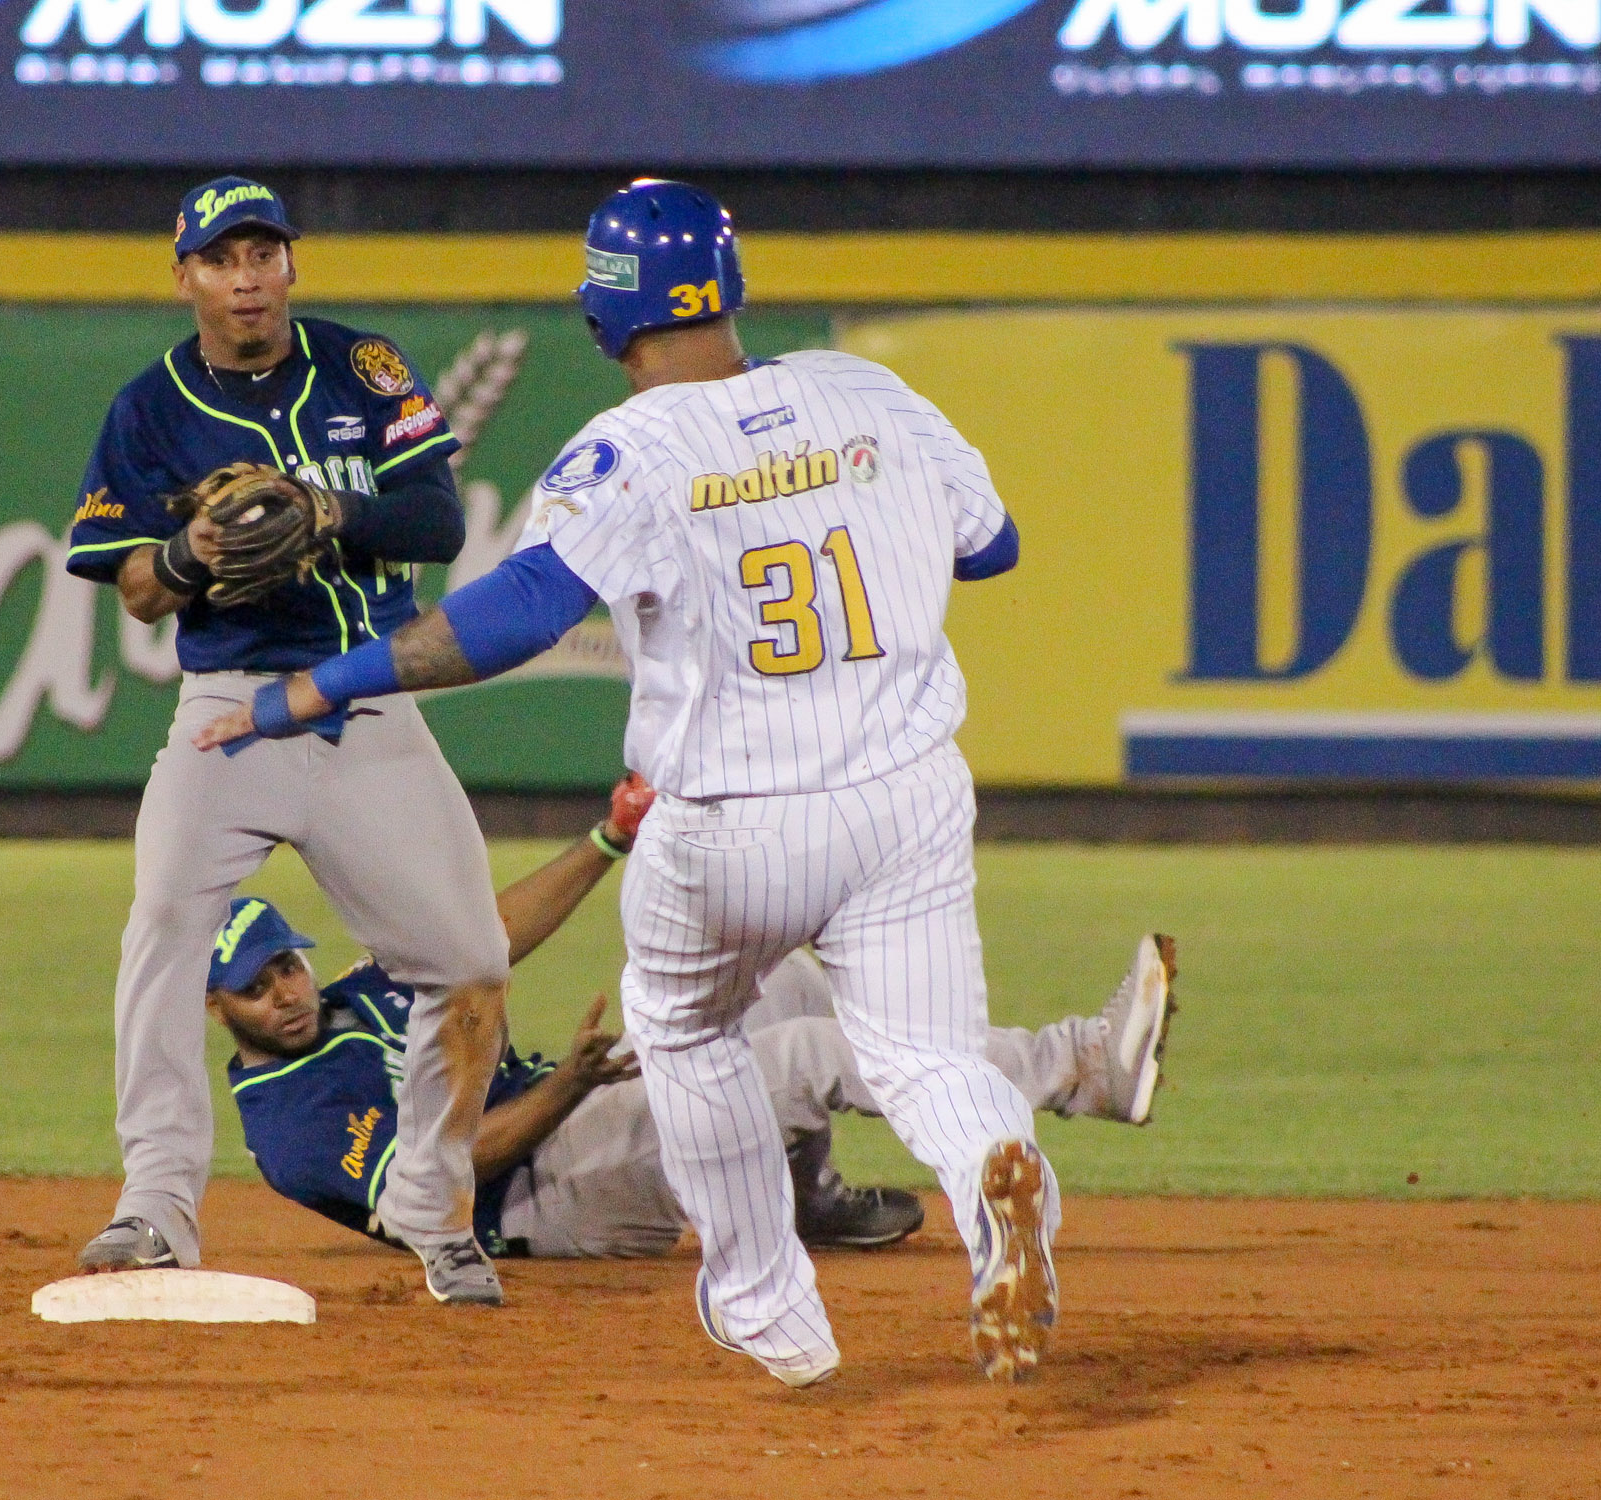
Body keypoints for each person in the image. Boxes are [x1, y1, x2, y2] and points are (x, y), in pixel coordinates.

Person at [195, 179, 1161, 1385]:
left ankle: (771, 1309)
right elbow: (993, 543)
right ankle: (993, 1179)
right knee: (923, 1057)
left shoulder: (628, 449)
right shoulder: (865, 389)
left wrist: (314, 688)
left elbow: (518, 617)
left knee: (684, 1029)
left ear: (606, 317)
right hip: (906, 796)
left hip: (728, 824)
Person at [59, 176, 514, 1305]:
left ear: (291, 266)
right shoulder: (150, 407)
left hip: (367, 703)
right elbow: (132, 590)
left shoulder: (361, 367)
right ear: (188, 277)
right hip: (229, 708)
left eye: (264, 252)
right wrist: (185, 554)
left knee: (469, 965)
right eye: (222, 258)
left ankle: (428, 1201)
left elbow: (439, 519)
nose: (247, 275)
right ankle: (156, 1204)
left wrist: (329, 507)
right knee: (165, 921)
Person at [209, 780, 1177, 1265]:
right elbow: (445, 1184)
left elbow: (483, 938)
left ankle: (799, 1196)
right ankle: (1086, 1069)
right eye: (259, 987)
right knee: (800, 1058)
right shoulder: (289, 1121)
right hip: (546, 1196)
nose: (288, 991)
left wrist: (608, 838)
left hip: (577, 1111)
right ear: (218, 1010)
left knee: (777, 985)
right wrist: (569, 1086)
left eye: (286, 963)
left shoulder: (344, 997)